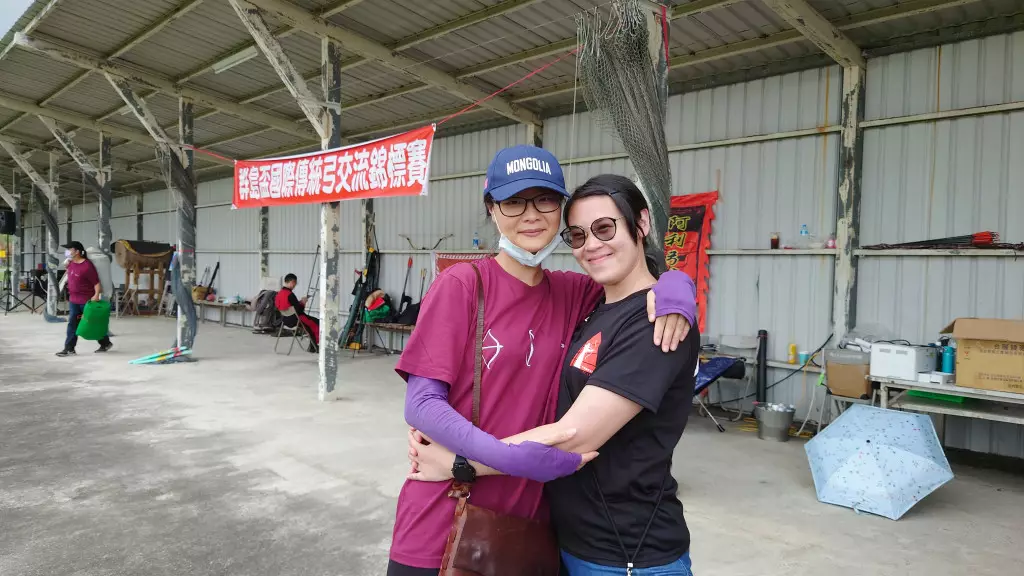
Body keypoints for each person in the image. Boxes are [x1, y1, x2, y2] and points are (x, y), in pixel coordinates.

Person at [387, 145, 697, 576]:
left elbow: (634, 283)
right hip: (445, 518)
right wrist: (503, 459)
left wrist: (677, 287)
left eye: (545, 200)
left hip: (530, 529)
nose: (531, 215)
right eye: (513, 202)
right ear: (492, 209)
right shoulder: (463, 285)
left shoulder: (574, 293)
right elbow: (422, 403)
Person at [57, 241, 112, 356]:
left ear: (77, 251)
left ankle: (105, 342)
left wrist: (96, 295)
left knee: (92, 323)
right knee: (73, 324)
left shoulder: (87, 266)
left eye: (69, 249)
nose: (67, 252)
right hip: (73, 300)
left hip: (86, 301)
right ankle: (69, 348)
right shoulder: (71, 263)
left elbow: (96, 283)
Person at [275, 273, 319, 345]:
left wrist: (299, 303)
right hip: (296, 319)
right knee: (317, 322)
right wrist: (303, 303)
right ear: (293, 282)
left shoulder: (279, 294)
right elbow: (299, 310)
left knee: (310, 323)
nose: (295, 285)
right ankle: (314, 346)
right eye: (295, 283)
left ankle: (313, 346)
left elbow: (288, 307)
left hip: (284, 320)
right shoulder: (290, 294)